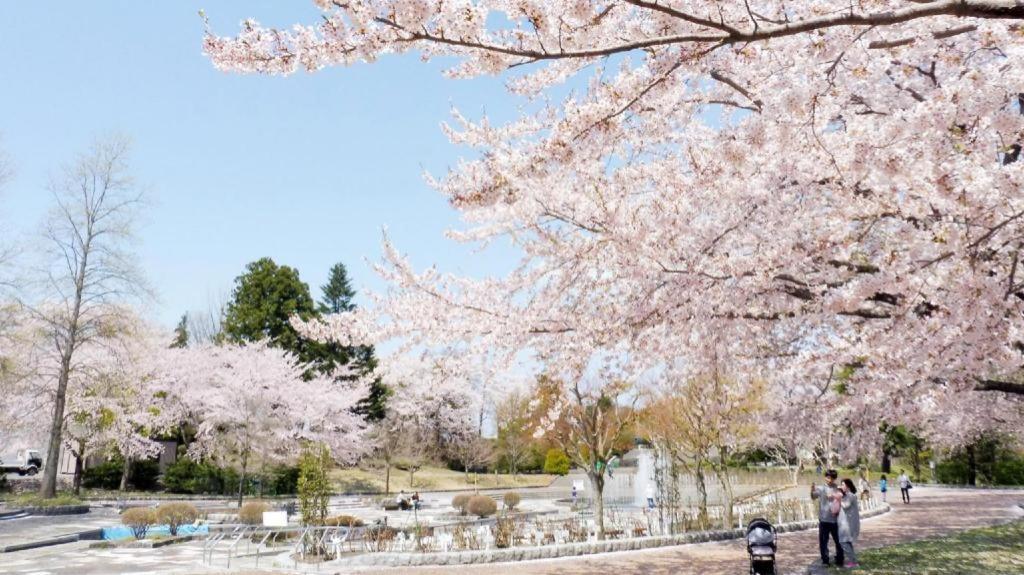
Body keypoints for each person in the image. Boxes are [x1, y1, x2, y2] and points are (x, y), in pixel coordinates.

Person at [810, 469, 845, 567]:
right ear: (825, 477)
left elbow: (845, 498)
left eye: (832, 478)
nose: (829, 480)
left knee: (839, 541)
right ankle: (825, 560)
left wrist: (835, 495)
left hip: (836, 520)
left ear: (835, 478)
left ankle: (840, 558)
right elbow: (813, 496)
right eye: (828, 477)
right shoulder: (821, 488)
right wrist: (812, 489)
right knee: (824, 541)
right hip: (824, 519)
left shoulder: (838, 488)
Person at [839, 478, 862, 568]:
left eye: (843, 485)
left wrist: (838, 497)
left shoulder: (851, 496)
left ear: (848, 486)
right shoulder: (847, 495)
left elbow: (845, 505)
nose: (841, 487)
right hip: (846, 523)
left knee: (843, 542)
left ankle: (854, 562)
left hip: (850, 524)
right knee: (847, 542)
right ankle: (853, 561)